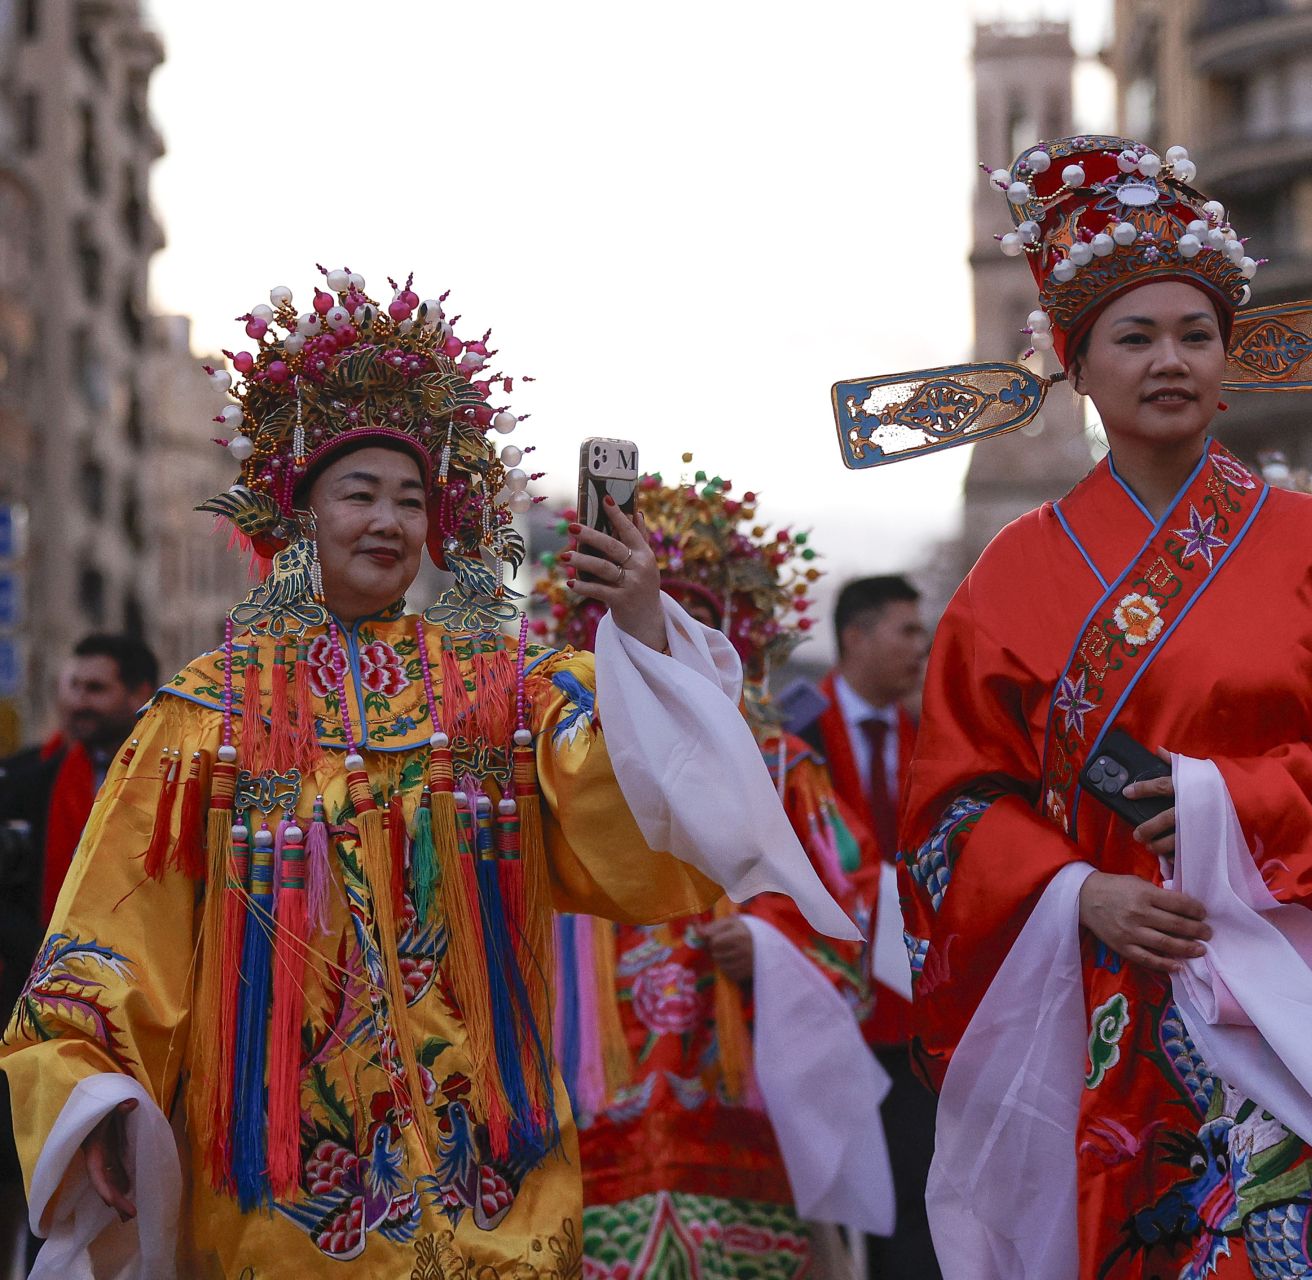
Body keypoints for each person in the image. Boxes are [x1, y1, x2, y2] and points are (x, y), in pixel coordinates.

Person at [0, 268, 852, 1277]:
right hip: (284, 1192)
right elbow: (110, 926)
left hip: (495, 1167)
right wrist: (93, 1087)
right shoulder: (210, 709)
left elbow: (649, 820)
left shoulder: (505, 690)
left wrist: (636, 630)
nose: (389, 521)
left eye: (411, 497)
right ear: (299, 513)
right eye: (358, 492)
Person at [843, 136, 1312, 1280]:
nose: (1169, 360)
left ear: (1230, 359)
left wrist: (1221, 804)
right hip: (1098, 1003)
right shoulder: (1010, 577)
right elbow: (949, 812)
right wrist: (1076, 891)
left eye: (1196, 334)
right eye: (1134, 337)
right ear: (1074, 362)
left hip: (1291, 993)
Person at [530, 469, 892, 1279]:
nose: (657, 648)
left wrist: (767, 944)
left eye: (677, 626)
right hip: (587, 1081)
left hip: (735, 1091)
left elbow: (851, 904)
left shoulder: (781, 766)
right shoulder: (561, 749)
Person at [0, 633, 158, 1265]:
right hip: (32, 1025)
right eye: (72, 687)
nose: (79, 702)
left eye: (97, 688)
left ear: (140, 695)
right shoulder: (21, 780)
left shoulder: (163, 783)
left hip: (130, 1025)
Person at [798, 573, 937, 1277]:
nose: (923, 646)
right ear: (855, 636)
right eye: (907, 630)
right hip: (828, 1006)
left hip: (916, 1015)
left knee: (916, 1201)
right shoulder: (795, 732)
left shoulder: (938, 742)